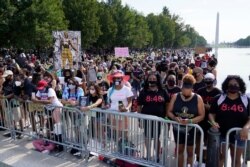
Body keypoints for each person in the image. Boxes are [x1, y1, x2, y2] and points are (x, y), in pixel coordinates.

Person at [209, 75, 250, 167]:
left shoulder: (245, 99)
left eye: (236, 84)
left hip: (239, 135)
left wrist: (246, 127)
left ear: (240, 86)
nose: (233, 86)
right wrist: (213, 122)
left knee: (236, 159)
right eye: (230, 84)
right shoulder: (219, 98)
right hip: (221, 133)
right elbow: (211, 114)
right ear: (226, 85)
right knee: (220, 158)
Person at [167, 74, 205, 167]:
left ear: (192, 88)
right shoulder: (176, 96)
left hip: (191, 129)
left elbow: (202, 115)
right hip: (177, 128)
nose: (185, 91)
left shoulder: (198, 98)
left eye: (187, 89)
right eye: (183, 89)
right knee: (179, 150)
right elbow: (169, 111)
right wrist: (174, 118)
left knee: (190, 152)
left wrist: (190, 121)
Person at [137, 72, 170, 162]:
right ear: (147, 80)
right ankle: (148, 155)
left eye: (154, 79)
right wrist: (139, 119)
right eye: (150, 79)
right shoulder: (143, 91)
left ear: (157, 80)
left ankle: (157, 156)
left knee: (156, 137)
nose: (152, 81)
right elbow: (139, 106)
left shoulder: (163, 91)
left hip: (159, 119)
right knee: (147, 137)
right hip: (147, 119)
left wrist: (166, 116)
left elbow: (167, 104)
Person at [196, 73, 221, 162]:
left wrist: (206, 106)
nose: (208, 83)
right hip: (200, 119)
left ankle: (205, 158)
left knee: (208, 140)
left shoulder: (218, 92)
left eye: (210, 82)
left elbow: (218, 108)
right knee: (198, 139)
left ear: (213, 81)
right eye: (206, 82)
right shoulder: (200, 91)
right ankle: (198, 157)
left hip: (211, 120)